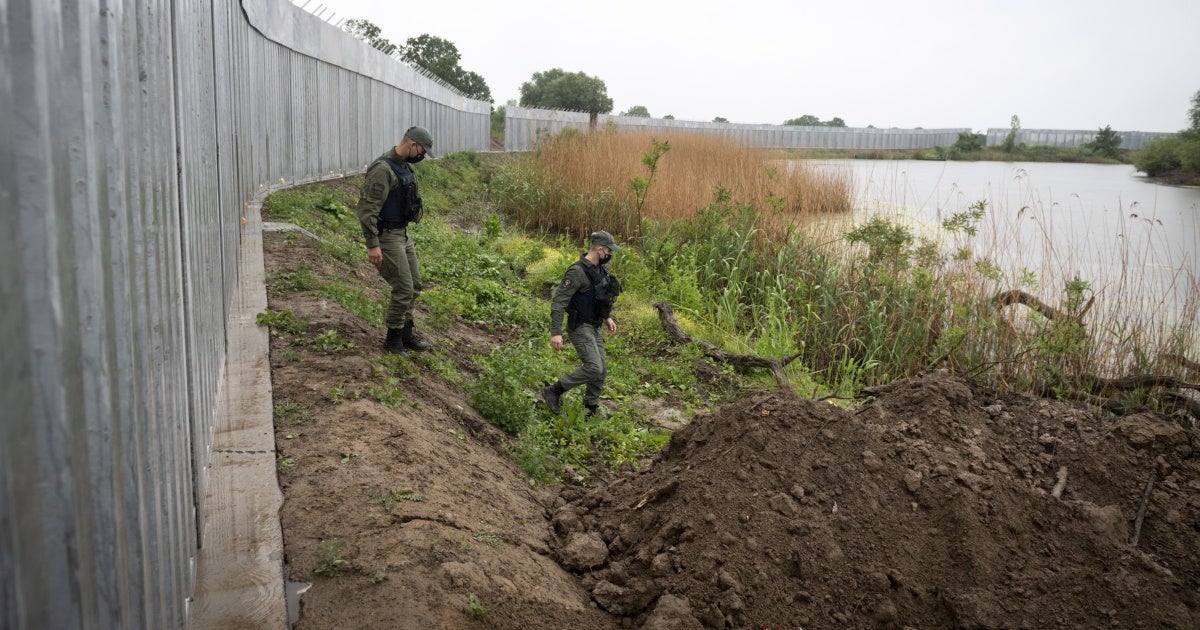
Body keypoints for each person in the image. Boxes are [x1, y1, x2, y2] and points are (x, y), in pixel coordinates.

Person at [354, 126, 434, 356]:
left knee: (415, 285)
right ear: (412, 145)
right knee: (403, 288)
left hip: (402, 234)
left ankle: (407, 332)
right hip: (387, 237)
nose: (422, 156)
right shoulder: (382, 170)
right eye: (422, 151)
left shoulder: (404, 167)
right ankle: (393, 337)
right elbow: (367, 210)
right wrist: (372, 244)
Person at [542, 231, 623, 415]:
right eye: (609, 251)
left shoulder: (601, 271)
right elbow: (558, 302)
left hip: (594, 326)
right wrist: (556, 332)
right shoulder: (577, 272)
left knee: (601, 371)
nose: (610, 255)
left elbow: (601, 297)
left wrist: (607, 317)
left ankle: (590, 408)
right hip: (579, 326)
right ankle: (554, 391)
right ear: (600, 249)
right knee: (594, 367)